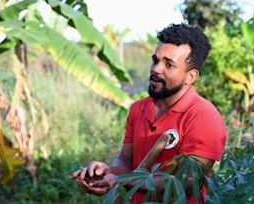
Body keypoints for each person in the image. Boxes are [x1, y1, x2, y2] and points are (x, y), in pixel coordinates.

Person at [70, 23, 227, 203]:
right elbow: (125, 161)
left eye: (169, 64)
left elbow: (185, 184)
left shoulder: (204, 117)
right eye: (155, 60)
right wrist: (108, 172)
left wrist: (121, 180)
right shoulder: (139, 109)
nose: (155, 69)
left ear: (190, 76)